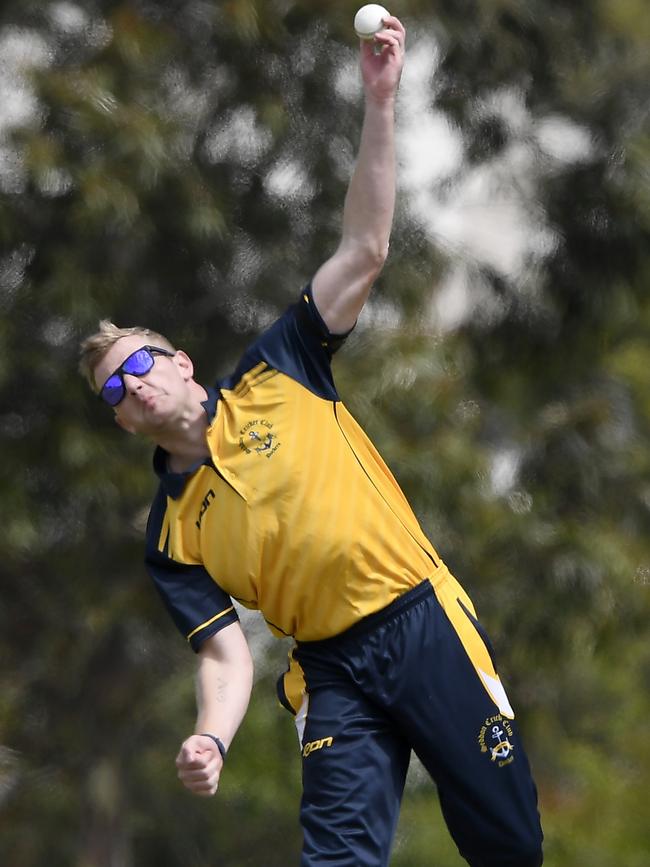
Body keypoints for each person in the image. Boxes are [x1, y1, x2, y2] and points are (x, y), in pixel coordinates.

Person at [79, 16, 543, 867]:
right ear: (123, 420)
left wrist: (380, 102)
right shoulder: (170, 535)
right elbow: (224, 655)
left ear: (180, 362)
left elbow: (365, 248)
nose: (133, 382)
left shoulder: (278, 366)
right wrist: (210, 740)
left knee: (510, 845)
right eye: (115, 387)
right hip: (330, 669)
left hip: (419, 617)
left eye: (139, 362)